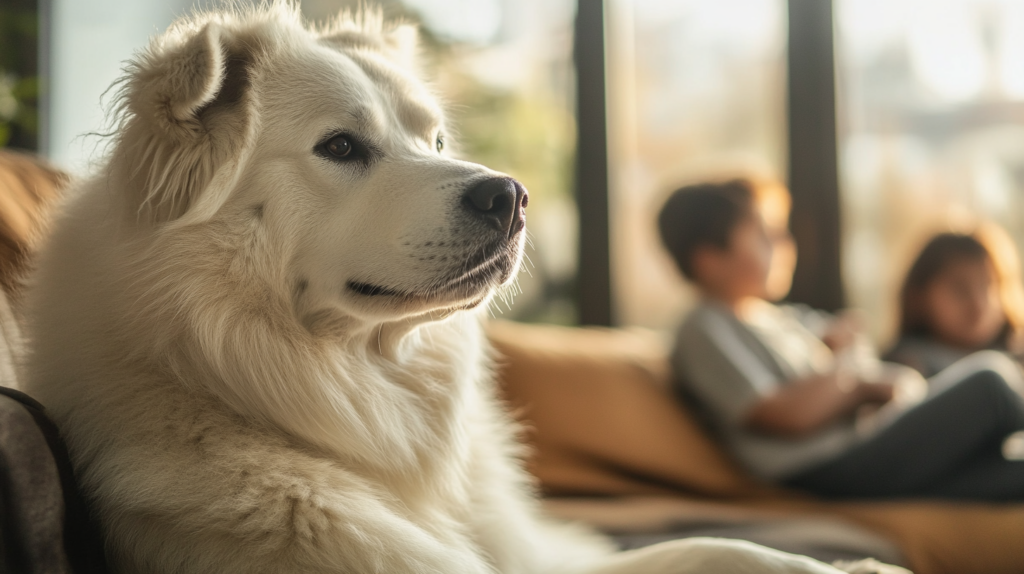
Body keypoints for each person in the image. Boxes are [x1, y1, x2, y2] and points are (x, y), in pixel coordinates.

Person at [659, 177, 1024, 501]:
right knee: (990, 383)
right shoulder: (705, 326)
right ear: (709, 259)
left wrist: (856, 373)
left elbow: (853, 353)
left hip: (863, 447)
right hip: (823, 469)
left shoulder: (780, 319)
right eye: (765, 235)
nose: (785, 243)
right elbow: (783, 414)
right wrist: (856, 382)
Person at [885, 230, 1024, 378]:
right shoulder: (905, 367)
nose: (978, 303)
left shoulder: (1016, 356)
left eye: (988, 286)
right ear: (918, 297)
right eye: (959, 289)